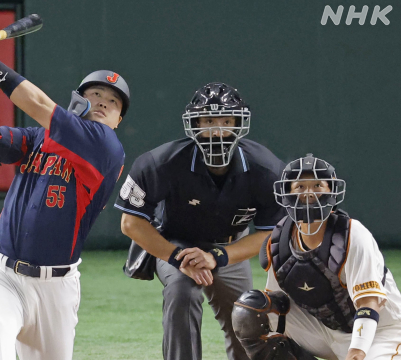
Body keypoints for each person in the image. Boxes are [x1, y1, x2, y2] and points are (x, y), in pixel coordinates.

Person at [0, 34, 129, 360]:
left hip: (56, 289)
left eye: (114, 102)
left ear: (118, 121)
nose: (104, 102)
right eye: (96, 94)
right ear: (78, 100)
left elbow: (36, 104)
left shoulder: (106, 148)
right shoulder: (38, 140)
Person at [115, 82, 285, 360]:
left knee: (248, 314)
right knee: (182, 292)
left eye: (226, 121)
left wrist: (217, 256)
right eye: (208, 121)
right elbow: (130, 223)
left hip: (230, 247)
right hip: (176, 244)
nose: (217, 130)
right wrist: (179, 256)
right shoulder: (161, 162)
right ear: (193, 124)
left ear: (240, 123)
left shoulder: (266, 169)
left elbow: (271, 232)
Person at [231, 154, 401, 360]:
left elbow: (369, 302)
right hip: (325, 331)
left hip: (380, 332)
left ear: (331, 191)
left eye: (317, 185)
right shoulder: (279, 239)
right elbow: (278, 301)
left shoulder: (351, 234)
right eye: (300, 187)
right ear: (287, 193)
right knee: (251, 311)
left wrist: (357, 351)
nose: (309, 193)